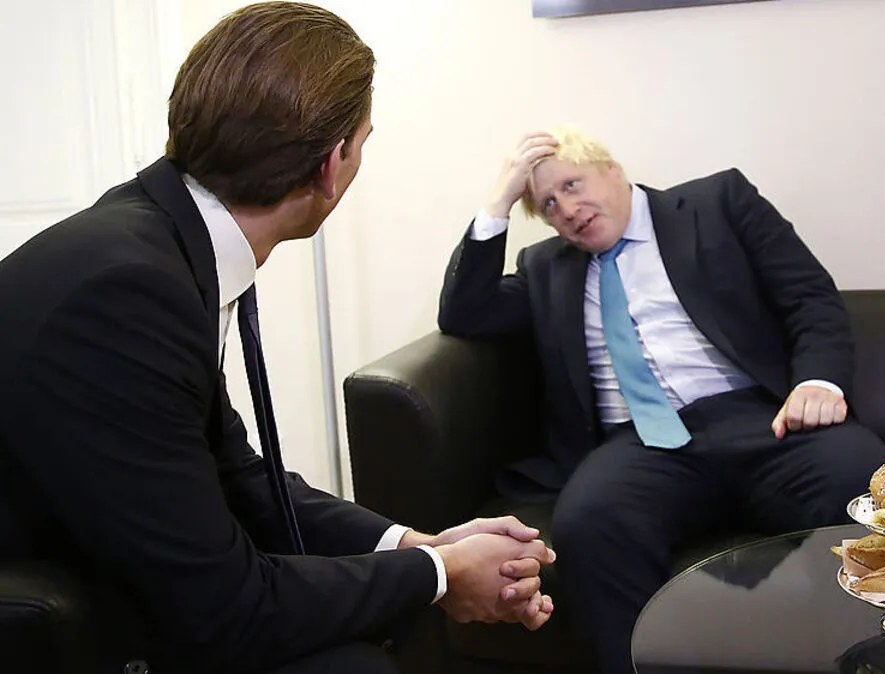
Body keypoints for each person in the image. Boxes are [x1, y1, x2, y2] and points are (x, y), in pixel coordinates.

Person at [0, 4, 554, 674]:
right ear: (332, 164)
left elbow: (236, 474)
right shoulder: (129, 292)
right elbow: (223, 610)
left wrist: (419, 547)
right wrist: (441, 576)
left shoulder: (159, 239)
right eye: (364, 141)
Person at [438, 126, 885, 674]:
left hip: (762, 420)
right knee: (589, 524)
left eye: (572, 185)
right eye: (549, 205)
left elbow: (808, 296)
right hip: (639, 446)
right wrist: (500, 200)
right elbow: (464, 315)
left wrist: (818, 382)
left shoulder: (717, 203)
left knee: (871, 483)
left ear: (611, 169)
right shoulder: (545, 268)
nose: (568, 210)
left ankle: (875, 663)